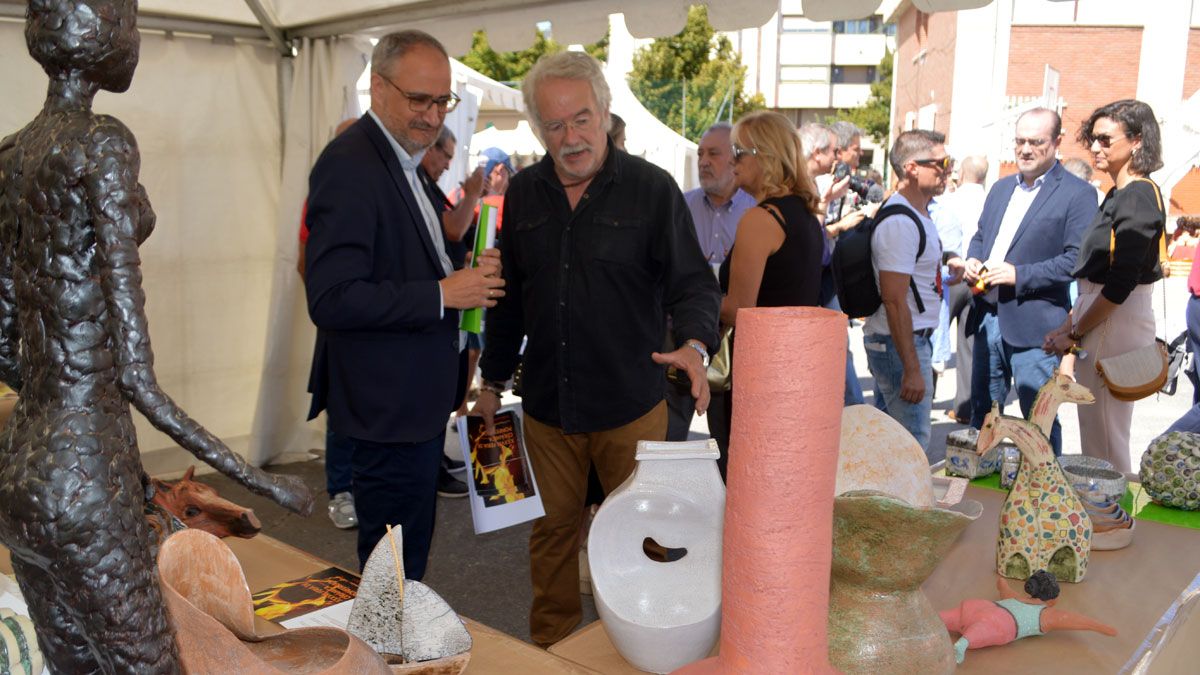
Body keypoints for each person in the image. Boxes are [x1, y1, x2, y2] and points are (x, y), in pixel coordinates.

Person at [473, 50, 720, 648]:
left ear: (605, 113)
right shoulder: (526, 195)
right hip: (548, 410)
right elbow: (509, 301)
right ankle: (555, 652)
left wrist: (694, 346)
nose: (571, 137)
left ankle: (651, 643)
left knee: (647, 536)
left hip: (632, 406)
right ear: (538, 129)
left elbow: (692, 284)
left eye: (581, 119)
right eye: (554, 125)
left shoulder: (652, 189)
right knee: (551, 537)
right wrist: (489, 383)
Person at [304, 30, 505, 575]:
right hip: (384, 409)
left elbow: (404, 263)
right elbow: (331, 297)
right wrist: (444, 293)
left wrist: (462, 276)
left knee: (404, 559)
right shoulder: (351, 164)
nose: (432, 114)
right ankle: (384, 656)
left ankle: (395, 648)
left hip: (410, 402)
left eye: (442, 101)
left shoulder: (401, 159)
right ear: (376, 87)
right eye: (419, 99)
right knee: (391, 567)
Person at [961, 108, 1097, 456]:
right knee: (983, 419)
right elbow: (981, 236)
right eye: (1020, 141)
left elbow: (1074, 260)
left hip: (1035, 329)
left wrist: (1019, 275)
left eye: (1035, 142)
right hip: (987, 316)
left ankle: (1044, 498)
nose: (1024, 149)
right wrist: (974, 259)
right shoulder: (1001, 187)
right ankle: (981, 496)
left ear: (1056, 142)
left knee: (1038, 425)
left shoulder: (1077, 194)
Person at [1045, 99, 1166, 474]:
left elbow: (1119, 284)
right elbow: (1099, 281)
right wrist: (1069, 327)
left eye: (1104, 139)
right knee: (1098, 434)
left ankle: (1111, 522)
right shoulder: (1121, 193)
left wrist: (1075, 331)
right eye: (1091, 139)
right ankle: (1105, 520)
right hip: (1104, 314)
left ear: (1136, 141)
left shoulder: (1137, 195)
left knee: (1106, 440)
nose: (1095, 147)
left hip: (1114, 318)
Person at [715, 111, 825, 475]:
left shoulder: (761, 219)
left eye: (738, 150)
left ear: (765, 156)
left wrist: (697, 294)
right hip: (795, 372)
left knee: (750, 478)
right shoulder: (804, 215)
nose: (732, 160)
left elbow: (737, 311)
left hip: (760, 376)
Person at [862, 130, 949, 453]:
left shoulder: (917, 213)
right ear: (912, 168)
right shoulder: (900, 221)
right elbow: (894, 299)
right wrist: (912, 368)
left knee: (891, 448)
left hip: (904, 341)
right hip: (900, 343)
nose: (947, 169)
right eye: (941, 162)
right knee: (910, 448)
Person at [671, 123, 755, 444]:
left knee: (730, 443)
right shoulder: (679, 205)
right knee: (668, 438)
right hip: (683, 334)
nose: (703, 161)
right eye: (700, 154)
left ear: (735, 160)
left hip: (738, 343)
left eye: (713, 154)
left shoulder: (755, 211)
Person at [802, 121, 865, 407]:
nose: (840, 157)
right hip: (816, 289)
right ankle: (851, 412)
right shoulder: (805, 187)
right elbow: (810, 243)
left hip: (829, 283)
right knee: (836, 355)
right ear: (818, 152)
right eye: (837, 150)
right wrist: (838, 223)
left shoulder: (830, 186)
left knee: (839, 354)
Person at [932, 155, 988, 423]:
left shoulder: (946, 200)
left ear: (962, 174)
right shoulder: (991, 200)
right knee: (968, 345)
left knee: (933, 335)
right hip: (978, 277)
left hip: (949, 275)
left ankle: (923, 397)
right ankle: (965, 408)